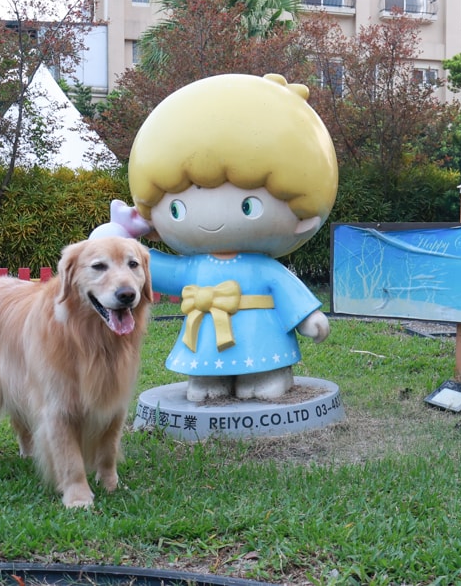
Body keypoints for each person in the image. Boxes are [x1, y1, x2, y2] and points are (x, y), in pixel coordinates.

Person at [93, 73, 338, 401]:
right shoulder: (190, 268)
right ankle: (211, 380)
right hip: (206, 342)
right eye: (176, 208)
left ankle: (269, 375)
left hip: (261, 340)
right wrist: (116, 239)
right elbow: (151, 268)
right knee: (207, 382)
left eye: (247, 205)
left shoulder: (262, 268)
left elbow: (287, 289)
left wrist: (310, 318)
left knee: (262, 377)